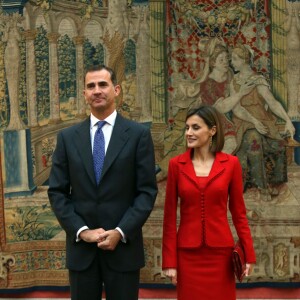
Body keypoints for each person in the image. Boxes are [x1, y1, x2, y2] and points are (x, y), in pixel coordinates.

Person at [48, 65, 158, 300]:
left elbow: (146, 191)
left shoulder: (138, 135)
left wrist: (120, 231)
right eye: (90, 86)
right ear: (84, 95)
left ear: (116, 90)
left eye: (103, 84)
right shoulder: (67, 139)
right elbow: (57, 192)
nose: (97, 90)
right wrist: (82, 231)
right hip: (82, 251)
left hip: (123, 249)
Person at [162, 104, 256, 300]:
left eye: (195, 127)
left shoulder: (231, 164)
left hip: (221, 254)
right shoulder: (175, 165)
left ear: (212, 130)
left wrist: (249, 254)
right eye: (187, 128)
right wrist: (169, 262)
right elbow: (169, 218)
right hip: (186, 255)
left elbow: (239, 213)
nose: (189, 132)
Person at [214, 44, 296, 198]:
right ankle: (262, 187)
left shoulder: (258, 80)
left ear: (244, 60)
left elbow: (272, 103)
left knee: (278, 143)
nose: (232, 62)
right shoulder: (235, 82)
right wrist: (254, 122)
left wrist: (287, 120)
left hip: (263, 120)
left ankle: (275, 183)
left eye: (234, 59)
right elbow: (237, 109)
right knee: (254, 140)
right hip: (243, 122)